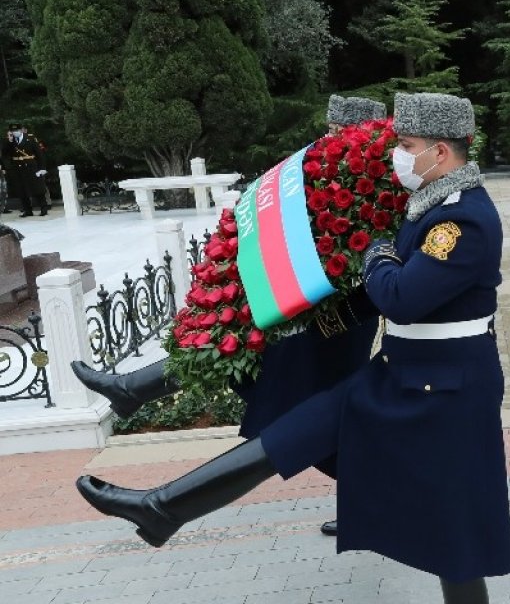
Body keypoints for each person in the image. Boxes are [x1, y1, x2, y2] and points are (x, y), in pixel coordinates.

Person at [75, 92, 510, 604]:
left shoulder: (462, 219)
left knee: (454, 535)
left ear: (440, 152)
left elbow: (402, 298)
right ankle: (161, 508)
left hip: (447, 392)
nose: (399, 156)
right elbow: (390, 290)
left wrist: (375, 255)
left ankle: (161, 506)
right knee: (289, 436)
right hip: (403, 373)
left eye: (408, 146)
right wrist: (333, 309)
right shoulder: (430, 203)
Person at [70, 95, 389, 537]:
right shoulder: (323, 171)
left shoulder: (378, 187)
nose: (330, 138)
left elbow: (377, 274)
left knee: (301, 417)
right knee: (293, 408)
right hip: (304, 317)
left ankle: (379, 503)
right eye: (331, 129)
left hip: (333, 327)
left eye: (341, 132)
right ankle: (131, 391)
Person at [3, 123, 49, 217]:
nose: (15, 132)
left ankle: (43, 208)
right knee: (22, 190)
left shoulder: (30, 139)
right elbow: (5, 154)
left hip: (31, 167)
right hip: (18, 168)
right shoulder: (11, 141)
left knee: (37, 189)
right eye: (13, 131)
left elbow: (39, 154)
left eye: (17, 130)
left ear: (21, 130)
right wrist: (9, 142)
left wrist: (42, 168)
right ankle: (27, 210)